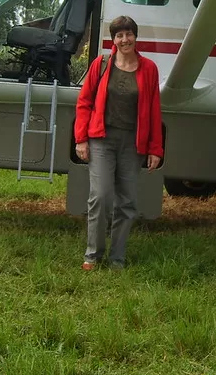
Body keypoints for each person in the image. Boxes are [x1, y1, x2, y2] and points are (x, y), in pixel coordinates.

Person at [74, 15, 163, 270]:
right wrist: (81, 139)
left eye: (129, 34)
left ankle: (117, 258)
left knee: (127, 202)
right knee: (100, 197)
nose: (125, 39)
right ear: (113, 39)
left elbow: (155, 109)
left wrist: (155, 148)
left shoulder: (149, 69)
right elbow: (84, 102)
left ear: (136, 37)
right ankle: (93, 254)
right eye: (119, 35)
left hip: (132, 144)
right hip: (102, 139)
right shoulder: (101, 64)